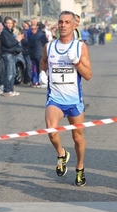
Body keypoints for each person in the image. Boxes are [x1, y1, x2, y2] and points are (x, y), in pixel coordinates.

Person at [39, 11, 92, 187]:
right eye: (60, 22)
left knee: (77, 138)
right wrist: (42, 73)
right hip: (55, 98)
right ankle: (62, 154)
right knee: (51, 131)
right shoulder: (49, 46)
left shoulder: (80, 47)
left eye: (67, 22)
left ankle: (80, 167)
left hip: (74, 100)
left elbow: (88, 75)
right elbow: (44, 62)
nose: (63, 25)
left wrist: (76, 62)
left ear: (74, 25)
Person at [0, 16, 23, 97]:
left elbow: (13, 44)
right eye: (8, 23)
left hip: (12, 54)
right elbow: (8, 44)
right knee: (9, 73)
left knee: (13, 73)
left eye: (11, 23)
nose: (10, 25)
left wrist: (18, 49)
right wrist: (17, 40)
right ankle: (7, 90)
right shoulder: (4, 33)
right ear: (5, 24)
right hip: (7, 54)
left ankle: (11, 89)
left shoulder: (10, 32)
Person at [29, 23, 48, 88]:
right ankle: (35, 82)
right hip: (34, 55)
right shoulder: (30, 35)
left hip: (40, 54)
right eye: (32, 29)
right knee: (35, 69)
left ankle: (41, 81)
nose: (33, 30)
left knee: (41, 68)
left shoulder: (41, 35)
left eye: (34, 29)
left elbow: (45, 44)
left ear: (37, 28)